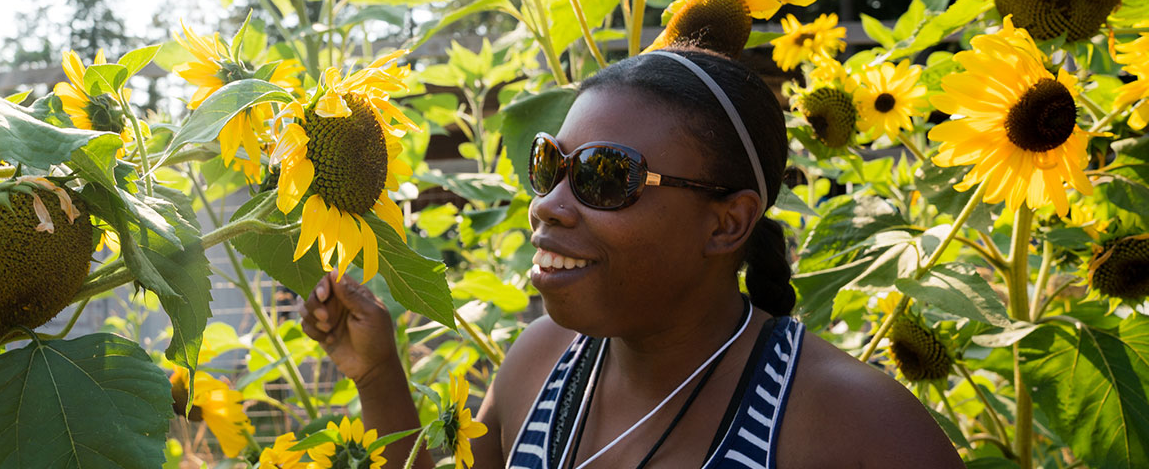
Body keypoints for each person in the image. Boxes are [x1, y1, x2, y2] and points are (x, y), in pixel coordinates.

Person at [300, 46, 964, 468]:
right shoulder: (540, 364)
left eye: (604, 176)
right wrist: (378, 375)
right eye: (549, 165)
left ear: (727, 223)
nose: (549, 205)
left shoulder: (855, 431)